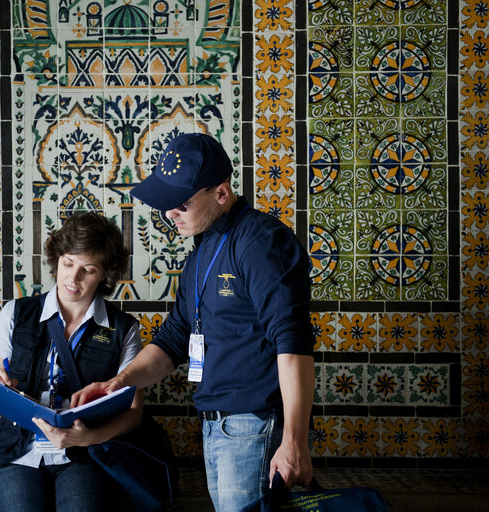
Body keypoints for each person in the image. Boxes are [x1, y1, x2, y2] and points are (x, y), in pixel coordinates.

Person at [72, 133, 315, 511]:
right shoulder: (202, 251)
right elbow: (173, 341)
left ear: (221, 193)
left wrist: (294, 443)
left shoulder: (260, 243)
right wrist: (119, 383)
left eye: (181, 204)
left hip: (253, 424)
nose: (171, 214)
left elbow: (294, 343)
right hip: (216, 426)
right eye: (167, 203)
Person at [0, 212, 144, 512]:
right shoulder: (15, 313)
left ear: (104, 275)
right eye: (68, 263)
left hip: (85, 455)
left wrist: (89, 437)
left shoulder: (123, 329)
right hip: (16, 453)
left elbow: (133, 413)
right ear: (57, 259)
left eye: (88, 269)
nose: (73, 278)